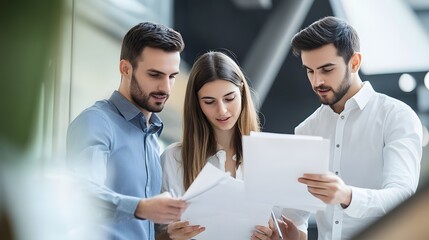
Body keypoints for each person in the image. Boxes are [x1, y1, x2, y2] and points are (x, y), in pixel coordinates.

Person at [274, 16, 423, 240]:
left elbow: (402, 197)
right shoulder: (307, 130)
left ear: (354, 62)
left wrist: (347, 196)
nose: (317, 82)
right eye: (310, 71)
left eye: (326, 69)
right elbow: (296, 217)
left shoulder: (396, 116)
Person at [66, 22, 187, 240]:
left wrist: (167, 234)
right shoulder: (96, 121)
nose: (166, 88)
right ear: (125, 68)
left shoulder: (152, 139)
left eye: (172, 76)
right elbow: (80, 193)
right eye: (155, 74)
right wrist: (140, 207)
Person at [158, 51, 274, 240]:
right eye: (209, 102)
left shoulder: (267, 158)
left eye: (229, 98)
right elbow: (156, 231)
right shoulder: (174, 159)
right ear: (197, 104)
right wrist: (168, 236)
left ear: (243, 93)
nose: (222, 110)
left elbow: (290, 226)